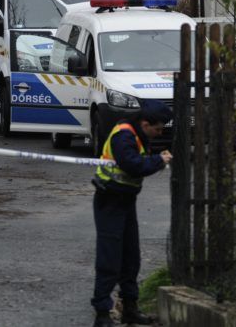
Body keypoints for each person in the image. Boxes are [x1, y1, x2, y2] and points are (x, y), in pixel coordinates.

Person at [90, 100, 174, 327]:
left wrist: (155, 159)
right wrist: (158, 160)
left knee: (130, 256)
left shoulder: (137, 133)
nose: (158, 134)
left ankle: (130, 307)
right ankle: (102, 313)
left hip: (126, 200)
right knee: (110, 257)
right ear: (145, 123)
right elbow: (132, 165)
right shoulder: (124, 135)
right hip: (109, 200)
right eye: (157, 129)